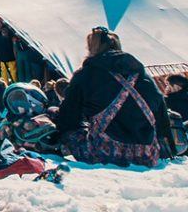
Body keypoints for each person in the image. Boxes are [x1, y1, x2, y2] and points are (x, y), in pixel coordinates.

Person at [55, 28, 174, 167]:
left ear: (92, 48)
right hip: (146, 154)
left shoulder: (86, 74)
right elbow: (161, 115)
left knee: (69, 130)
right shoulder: (142, 75)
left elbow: (68, 116)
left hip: (105, 154)